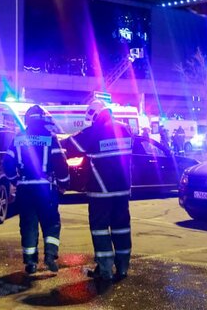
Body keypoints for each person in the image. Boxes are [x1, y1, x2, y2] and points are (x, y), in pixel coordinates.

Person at [66, 107, 133, 282]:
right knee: (122, 229)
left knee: (100, 230)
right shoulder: (124, 129)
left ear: (95, 116)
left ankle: (105, 269)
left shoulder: (94, 131)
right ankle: (123, 267)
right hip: (122, 191)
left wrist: (52, 141)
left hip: (100, 192)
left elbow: (70, 146)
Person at [3, 105, 70, 275]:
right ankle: (50, 256)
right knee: (51, 222)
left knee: (28, 225)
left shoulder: (19, 138)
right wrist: (64, 183)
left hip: (25, 190)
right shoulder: (50, 137)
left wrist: (15, 180)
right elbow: (60, 163)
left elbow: (7, 163)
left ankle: (31, 263)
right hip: (45, 188)